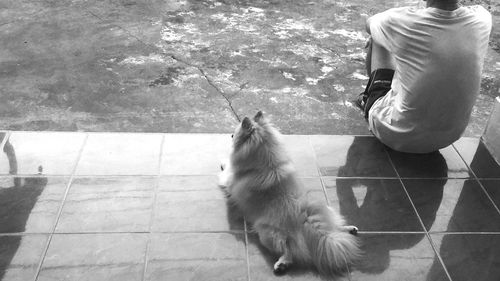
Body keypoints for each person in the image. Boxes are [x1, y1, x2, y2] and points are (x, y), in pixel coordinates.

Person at [355, 0, 492, 153]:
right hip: (450, 135)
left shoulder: (399, 20)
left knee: (377, 37)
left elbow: (369, 24)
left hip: (397, 135)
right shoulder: (483, 18)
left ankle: (370, 100)